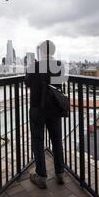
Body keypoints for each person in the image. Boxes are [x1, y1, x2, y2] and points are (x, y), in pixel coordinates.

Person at [25, 40, 65, 189]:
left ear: (41, 51)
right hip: (54, 107)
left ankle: (41, 176)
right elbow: (59, 84)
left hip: (37, 108)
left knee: (37, 140)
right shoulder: (60, 65)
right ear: (53, 51)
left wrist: (30, 67)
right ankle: (60, 173)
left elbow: (27, 83)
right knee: (56, 140)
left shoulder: (35, 66)